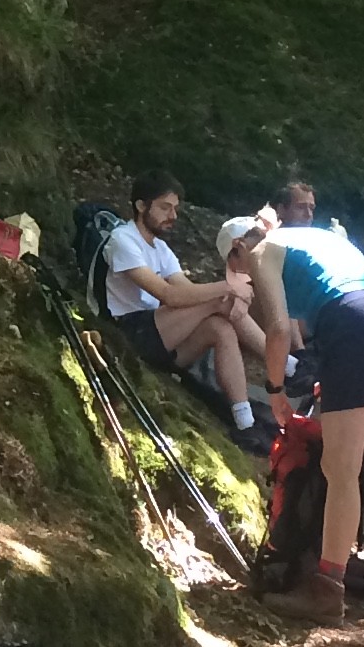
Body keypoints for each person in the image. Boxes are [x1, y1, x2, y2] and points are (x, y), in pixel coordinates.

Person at [231, 214, 364, 617]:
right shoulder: (314, 238)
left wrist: (274, 391)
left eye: (240, 271)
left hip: (353, 327)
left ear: (238, 250)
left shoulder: (263, 251)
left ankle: (326, 589)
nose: (248, 280)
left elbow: (279, 330)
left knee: (341, 469)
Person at [102, 171, 278, 452]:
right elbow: (169, 295)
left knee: (220, 328)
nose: (172, 215)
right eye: (164, 207)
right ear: (141, 206)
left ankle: (245, 422)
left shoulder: (160, 248)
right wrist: (229, 287)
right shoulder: (122, 240)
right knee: (218, 300)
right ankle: (287, 364)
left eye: (175, 209)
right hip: (126, 332)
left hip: (161, 339)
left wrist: (226, 292)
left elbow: (187, 290)